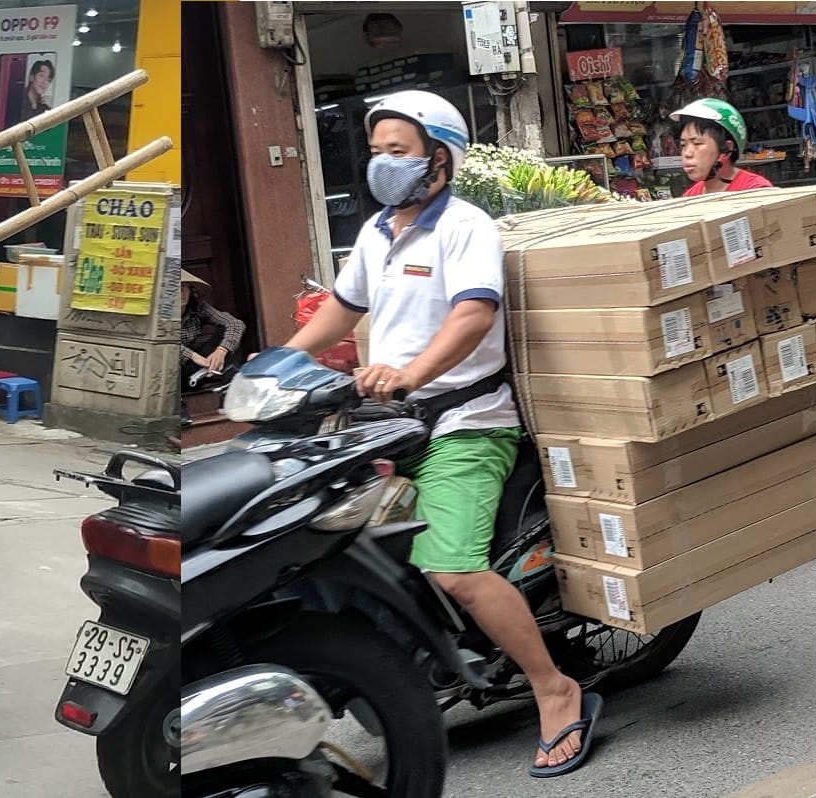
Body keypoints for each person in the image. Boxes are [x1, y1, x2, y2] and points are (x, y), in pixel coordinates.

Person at [279, 90, 603, 777]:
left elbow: (473, 316)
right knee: (336, 542)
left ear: (440, 160)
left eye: (399, 152)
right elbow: (341, 308)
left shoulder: (465, 227)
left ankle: (554, 688)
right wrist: (279, 363)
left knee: (453, 568)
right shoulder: (376, 234)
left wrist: (411, 373)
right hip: (389, 428)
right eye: (376, 152)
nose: (382, 165)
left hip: (466, 422)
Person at [670, 98, 775, 197]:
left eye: (697, 143)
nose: (687, 154)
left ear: (726, 149)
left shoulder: (756, 192)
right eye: (683, 145)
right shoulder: (690, 197)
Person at [180, 272, 244, 376]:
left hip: (195, 365)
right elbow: (163, 343)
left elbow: (235, 323)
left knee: (227, 333)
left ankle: (228, 378)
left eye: (184, 287)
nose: (181, 293)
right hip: (168, 371)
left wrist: (221, 351)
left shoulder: (198, 307)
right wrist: (193, 356)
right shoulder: (157, 314)